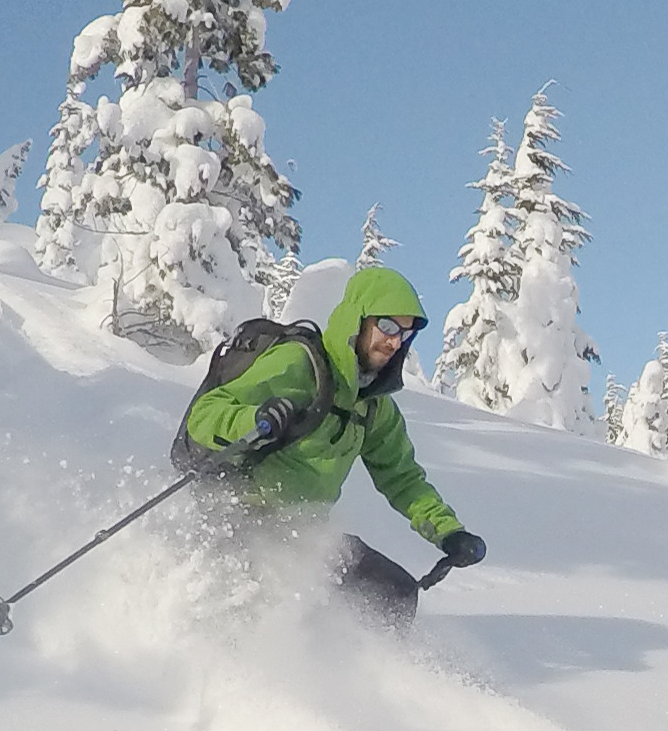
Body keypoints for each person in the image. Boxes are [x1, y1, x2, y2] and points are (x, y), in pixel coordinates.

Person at [182, 265, 485, 626]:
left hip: (304, 536)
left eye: (404, 334)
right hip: (239, 519)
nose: (394, 341)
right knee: (256, 608)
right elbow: (204, 417)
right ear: (359, 321)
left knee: (394, 592)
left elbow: (402, 478)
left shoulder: (372, 405)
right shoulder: (299, 365)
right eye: (387, 326)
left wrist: (448, 532)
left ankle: (371, 676)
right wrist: (255, 419)